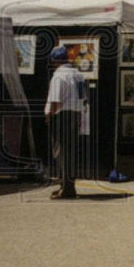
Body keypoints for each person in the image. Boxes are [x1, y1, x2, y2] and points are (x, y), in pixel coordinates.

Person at [45, 45, 87, 199]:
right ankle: (67, 185)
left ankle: (66, 188)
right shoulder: (78, 74)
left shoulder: (59, 76)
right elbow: (83, 97)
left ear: (55, 61)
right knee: (70, 151)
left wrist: (49, 114)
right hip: (75, 114)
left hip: (61, 115)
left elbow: (56, 100)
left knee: (61, 152)